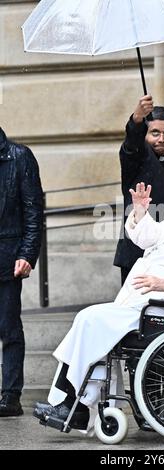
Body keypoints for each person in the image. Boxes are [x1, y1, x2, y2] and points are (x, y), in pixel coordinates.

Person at [33, 178, 164, 429]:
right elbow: (151, 238)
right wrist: (140, 211)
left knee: (90, 319)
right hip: (146, 304)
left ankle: (74, 406)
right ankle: (74, 404)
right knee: (89, 323)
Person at [114, 94, 164, 285]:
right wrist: (137, 119)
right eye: (155, 133)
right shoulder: (137, 158)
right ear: (146, 134)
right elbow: (131, 143)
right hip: (138, 251)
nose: (161, 139)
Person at [0, 127, 43, 417]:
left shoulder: (18, 156)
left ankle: (10, 396)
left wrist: (27, 254)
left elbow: (33, 210)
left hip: (6, 257)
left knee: (8, 327)